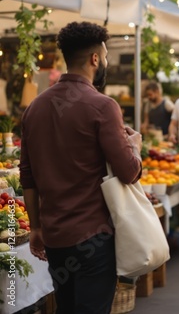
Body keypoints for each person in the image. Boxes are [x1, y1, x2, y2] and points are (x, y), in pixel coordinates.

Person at [19, 22, 143, 314]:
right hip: (93, 237)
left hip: (54, 236)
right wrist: (134, 145)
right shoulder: (102, 106)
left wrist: (36, 227)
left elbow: (28, 176)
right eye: (107, 56)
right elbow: (129, 172)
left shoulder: (34, 108)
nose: (107, 62)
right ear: (95, 59)